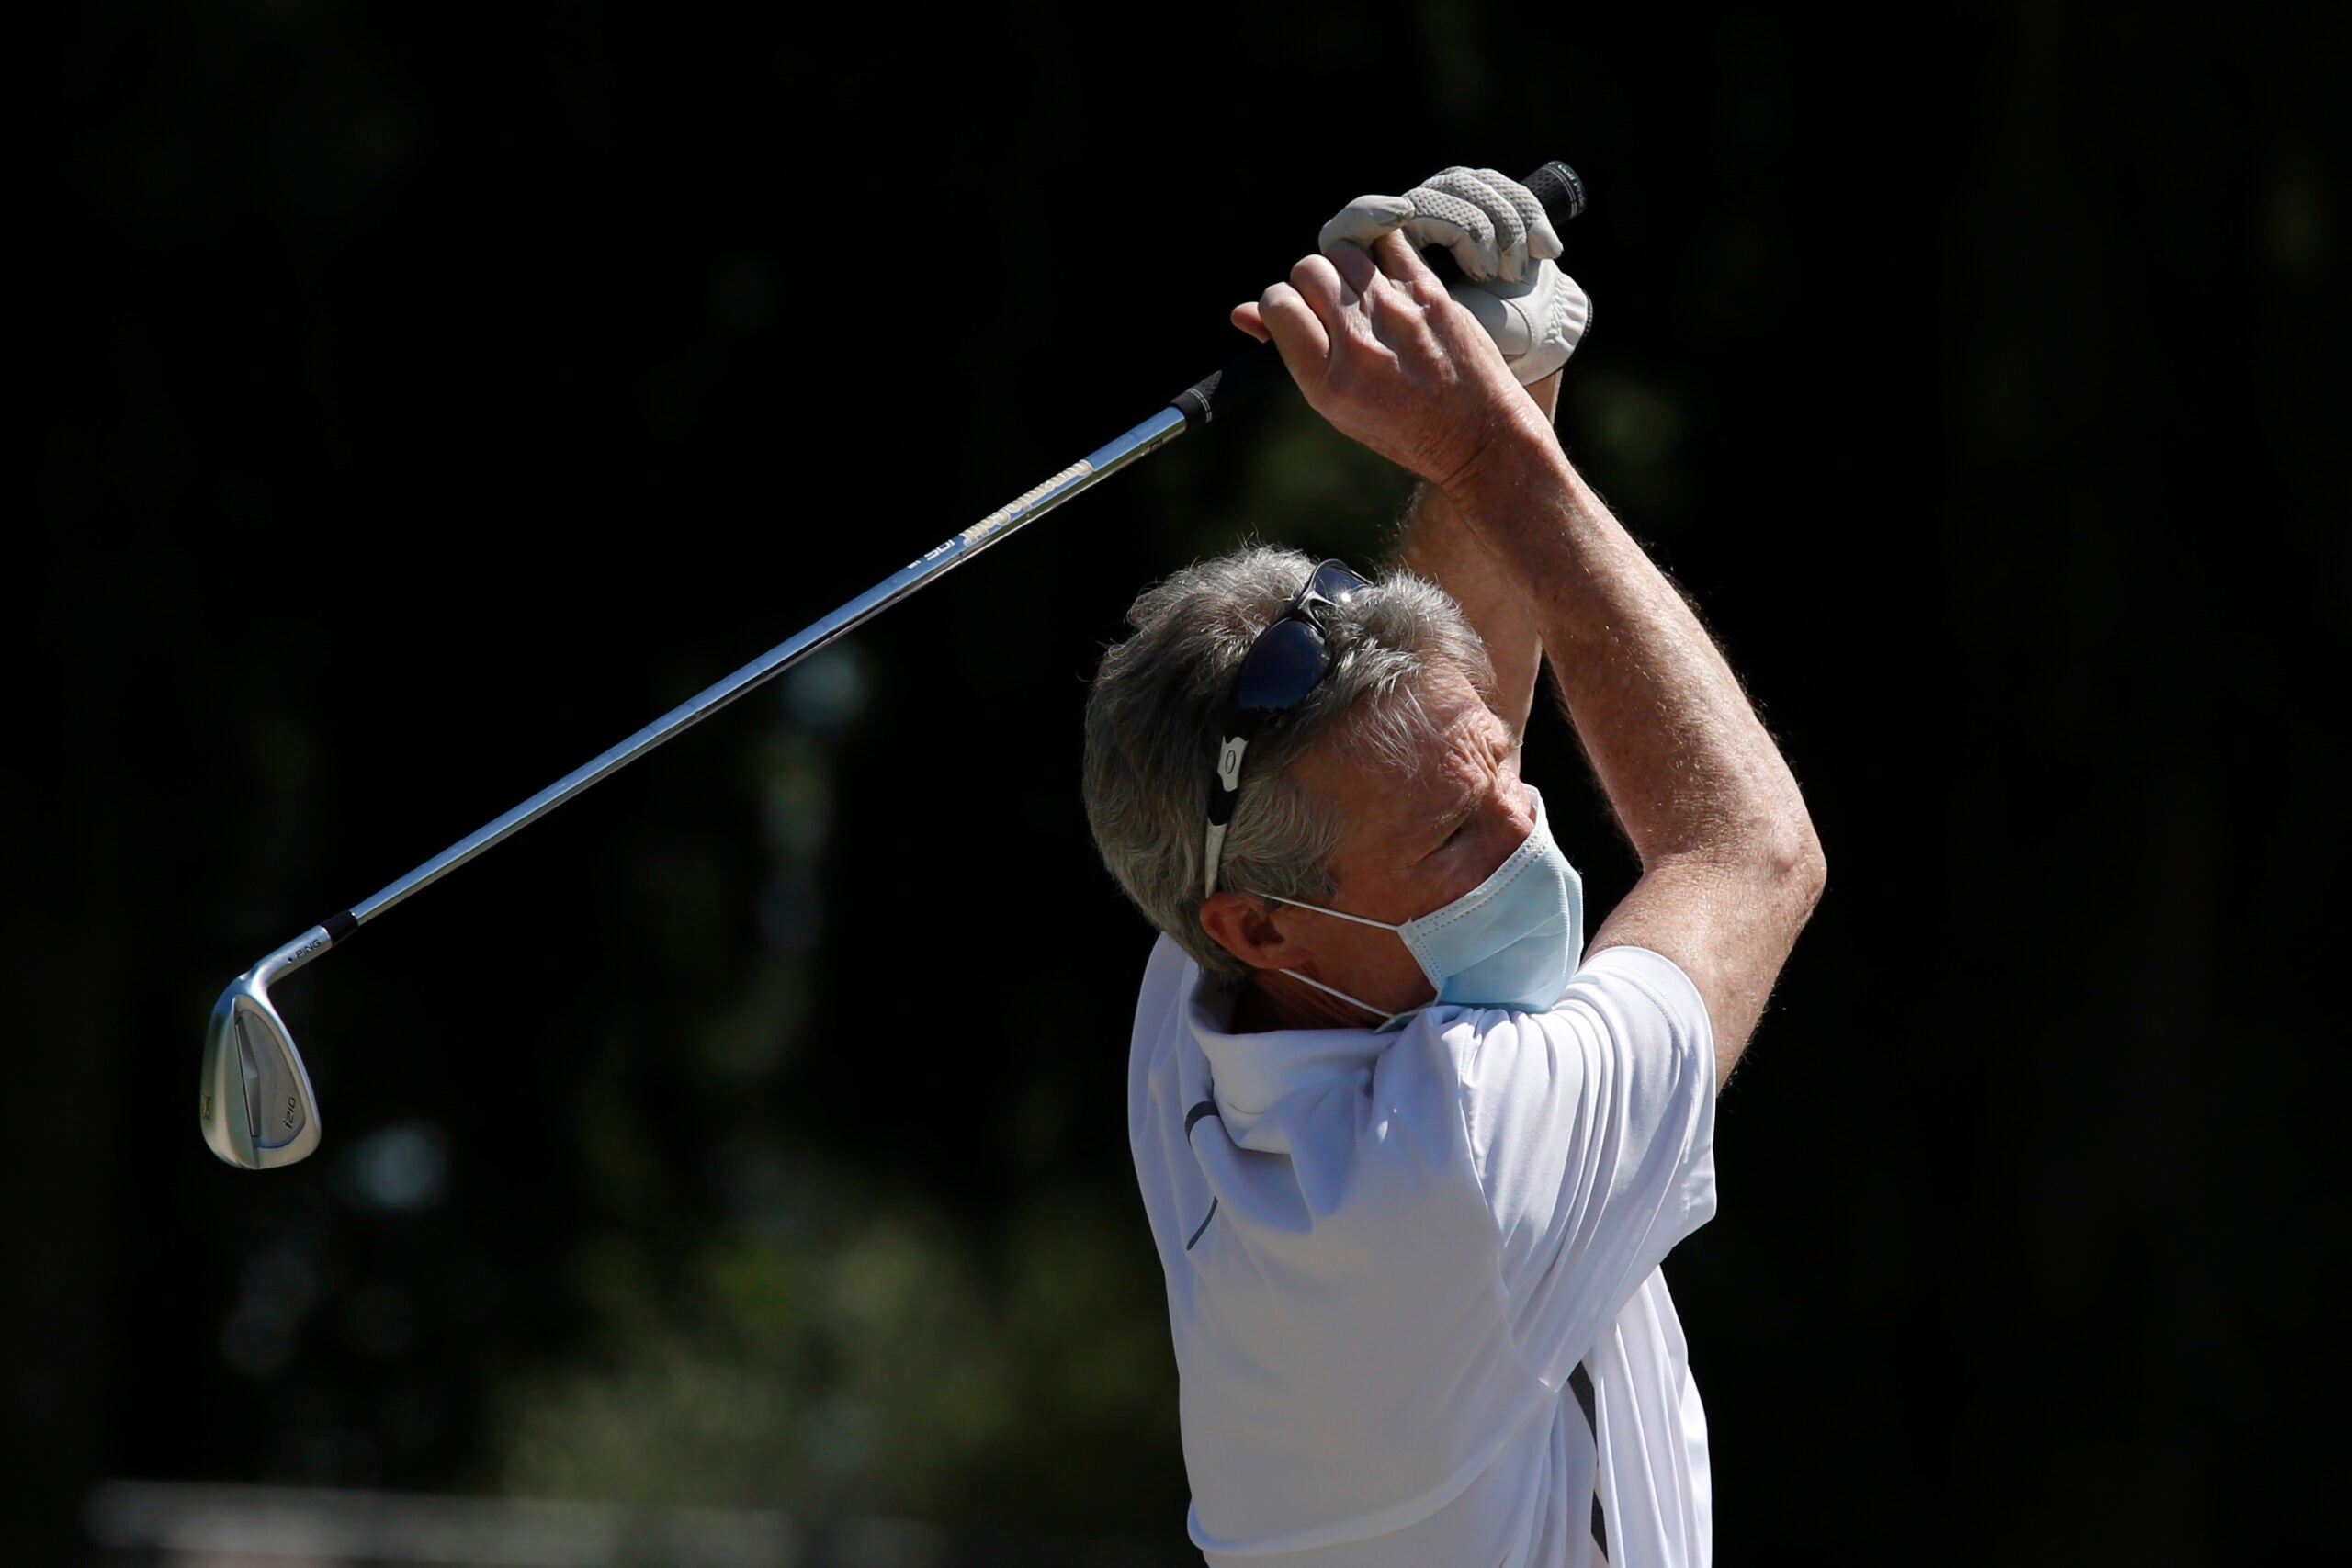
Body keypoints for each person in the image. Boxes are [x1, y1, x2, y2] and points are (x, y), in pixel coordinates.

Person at [1080, 166, 1826, 1567]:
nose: (1526, 835)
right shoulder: (1450, 1175)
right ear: (1266, 924)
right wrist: (1489, 458)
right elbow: (1750, 855)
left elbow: (1419, 737)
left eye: (1502, 770)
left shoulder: (1205, 1003)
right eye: (1453, 840)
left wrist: (1503, 387)